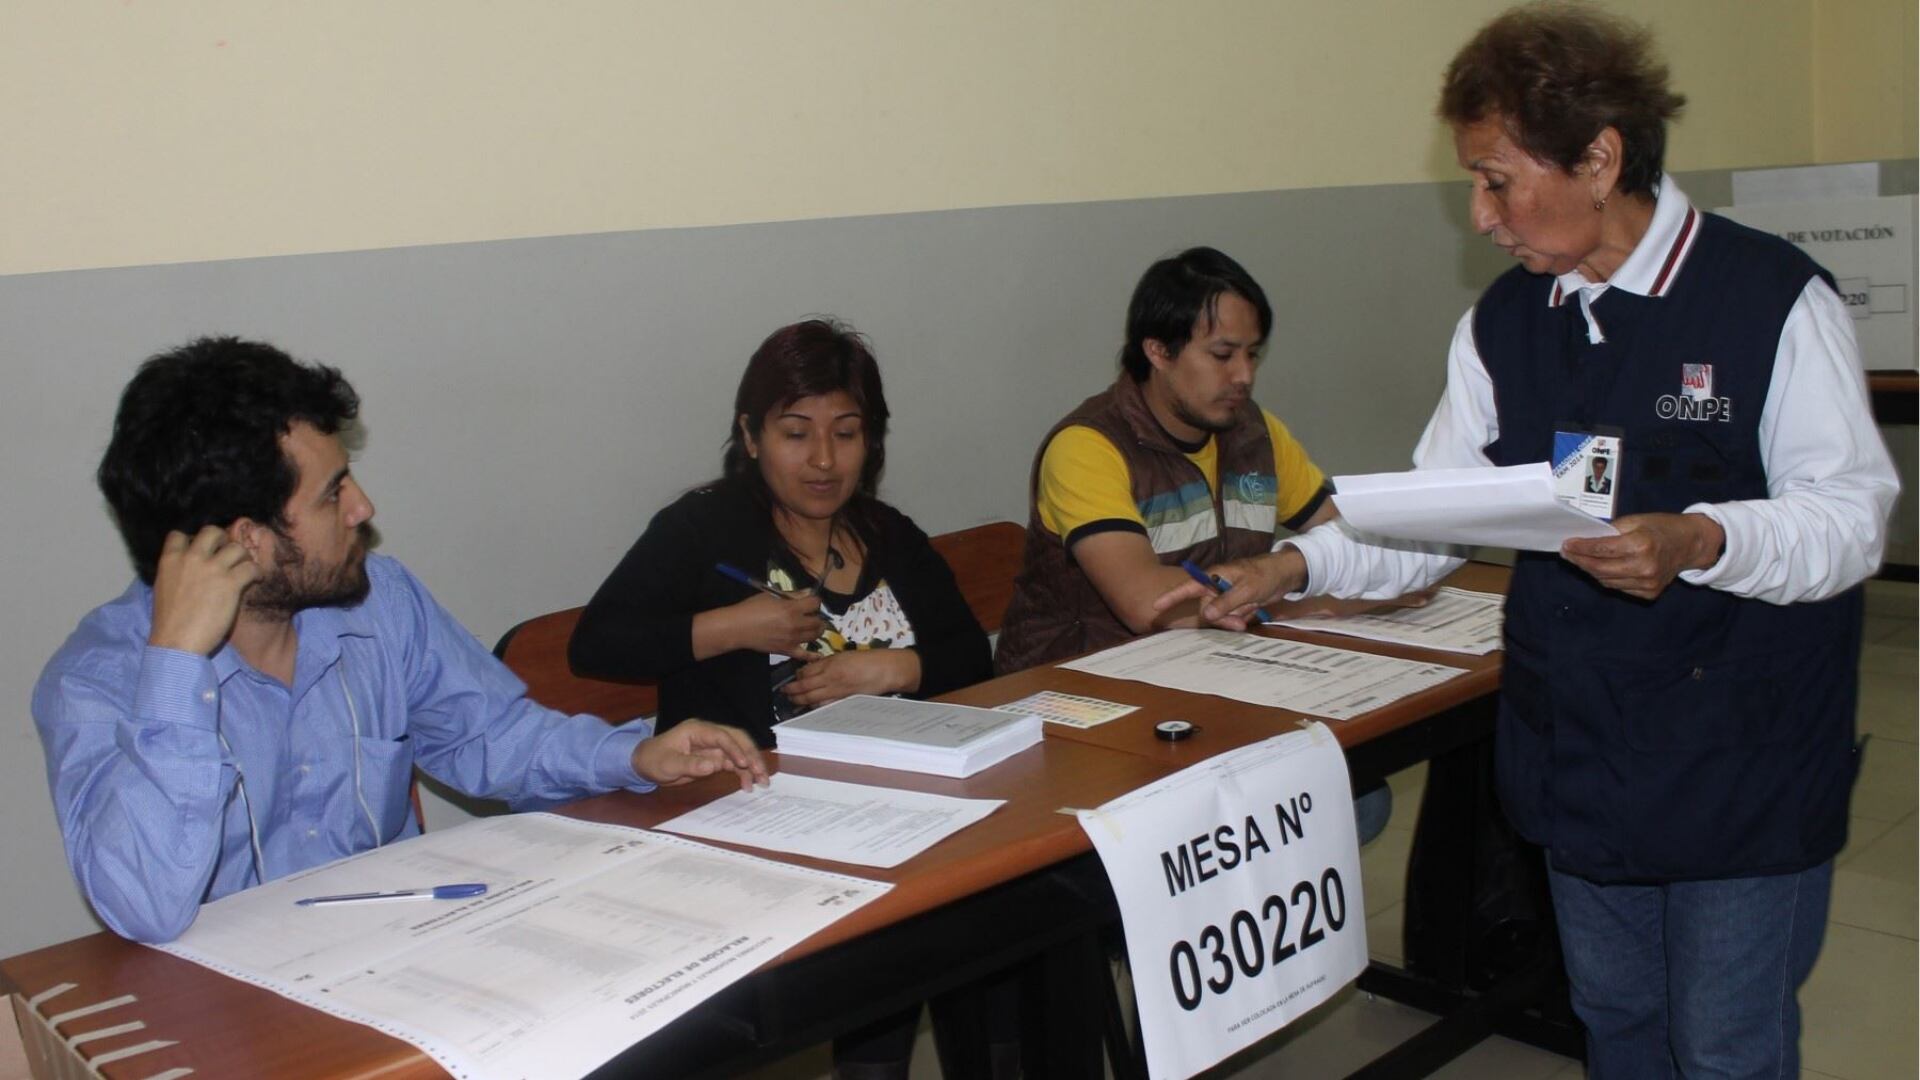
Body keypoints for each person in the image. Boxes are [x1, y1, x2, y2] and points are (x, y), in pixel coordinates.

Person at [1159, 6, 1899, 1076]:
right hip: (1582, 749)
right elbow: (1431, 515)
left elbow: (1849, 518)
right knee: (1618, 1024)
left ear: (1599, 158)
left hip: (1744, 761)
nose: (1481, 215)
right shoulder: (1504, 326)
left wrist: (1699, 539)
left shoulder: (1771, 299)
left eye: (1498, 179)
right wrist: (1296, 562)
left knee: (1727, 1046)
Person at [33, 337, 767, 946]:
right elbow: (143, 906)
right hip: (229, 1019)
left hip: (394, 962)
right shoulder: (98, 681)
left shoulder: (380, 602)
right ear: (248, 542)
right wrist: (178, 667)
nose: (363, 507)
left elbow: (493, 738)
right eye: (332, 493)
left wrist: (633, 755)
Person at [569, 319, 995, 1079]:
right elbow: (598, 644)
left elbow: (968, 654)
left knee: (982, 937)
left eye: (847, 433)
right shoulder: (703, 529)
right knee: (891, 953)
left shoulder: (888, 535)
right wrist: (730, 626)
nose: (825, 461)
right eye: (797, 433)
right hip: (750, 823)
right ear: (752, 434)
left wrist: (894, 669)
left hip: (895, 818)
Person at [993, 246, 1396, 840]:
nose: (1244, 376)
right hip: (1083, 705)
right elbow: (1151, 602)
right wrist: (1294, 587)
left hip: (1207, 683)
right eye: (1222, 355)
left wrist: (1380, 575)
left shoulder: (1255, 433)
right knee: (1331, 806)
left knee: (1359, 795)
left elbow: (1344, 538)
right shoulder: (1087, 447)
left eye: (1252, 354)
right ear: (1158, 351)